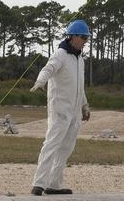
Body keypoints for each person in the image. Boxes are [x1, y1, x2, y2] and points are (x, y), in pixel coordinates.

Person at [30, 20, 91, 196]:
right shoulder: (61, 54)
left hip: (74, 112)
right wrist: (40, 82)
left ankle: (54, 184)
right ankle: (39, 184)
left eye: (87, 37)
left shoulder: (80, 59)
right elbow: (48, 69)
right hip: (60, 109)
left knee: (66, 148)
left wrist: (84, 105)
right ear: (72, 37)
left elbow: (80, 86)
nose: (85, 41)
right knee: (52, 144)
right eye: (83, 37)